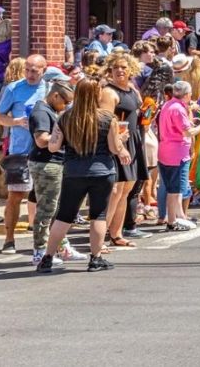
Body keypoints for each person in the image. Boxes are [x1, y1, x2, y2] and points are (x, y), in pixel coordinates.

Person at [39, 77, 131, 272]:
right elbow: (114, 149)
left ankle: (47, 257)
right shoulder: (108, 118)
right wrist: (121, 139)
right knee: (98, 215)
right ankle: (95, 258)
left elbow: (53, 146)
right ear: (97, 95)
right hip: (102, 171)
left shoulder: (65, 117)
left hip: (73, 171)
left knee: (64, 216)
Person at [0, 54, 50, 255]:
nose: (30, 74)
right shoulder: (13, 88)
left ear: (44, 70)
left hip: (46, 150)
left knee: (47, 196)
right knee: (15, 195)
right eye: (27, 69)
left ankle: (44, 241)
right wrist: (16, 122)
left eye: (35, 70)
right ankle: (9, 239)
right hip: (21, 150)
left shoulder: (50, 88)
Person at [28, 80, 83, 266]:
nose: (65, 106)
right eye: (64, 102)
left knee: (57, 210)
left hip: (55, 163)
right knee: (47, 209)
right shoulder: (42, 112)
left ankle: (62, 246)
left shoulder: (50, 110)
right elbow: (41, 140)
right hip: (46, 164)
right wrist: (65, 134)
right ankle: (39, 251)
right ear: (55, 95)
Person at [98, 52, 147, 247]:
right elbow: (105, 121)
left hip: (133, 140)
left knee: (127, 189)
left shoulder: (133, 90)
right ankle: (99, 238)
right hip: (117, 143)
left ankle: (116, 234)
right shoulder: (109, 93)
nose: (120, 70)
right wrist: (118, 146)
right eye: (115, 67)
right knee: (116, 190)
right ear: (109, 70)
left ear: (131, 70)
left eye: (124, 67)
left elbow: (139, 110)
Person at [158, 80, 200, 231]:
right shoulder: (178, 109)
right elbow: (187, 132)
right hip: (177, 153)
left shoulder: (167, 105)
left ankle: (177, 216)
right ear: (186, 95)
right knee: (176, 189)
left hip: (165, 151)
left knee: (172, 188)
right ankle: (172, 221)